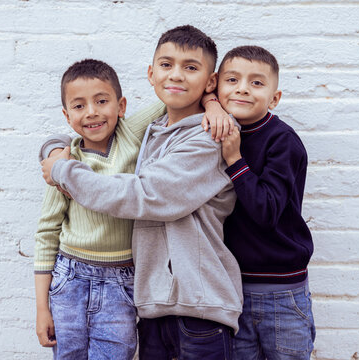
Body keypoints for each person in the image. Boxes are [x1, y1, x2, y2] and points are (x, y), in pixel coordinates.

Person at [40, 25, 243, 360]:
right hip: (153, 308)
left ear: (210, 80)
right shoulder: (150, 131)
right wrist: (53, 150)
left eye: (190, 67)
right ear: (151, 74)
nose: (176, 74)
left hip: (199, 308)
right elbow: (87, 135)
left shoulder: (210, 136)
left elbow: (146, 195)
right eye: (166, 65)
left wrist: (63, 171)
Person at [34, 59, 168, 359]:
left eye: (102, 101)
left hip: (122, 280)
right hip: (70, 279)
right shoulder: (65, 163)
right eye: (79, 106)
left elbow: (170, 99)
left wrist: (212, 102)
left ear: (121, 106)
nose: (92, 111)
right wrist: (42, 308)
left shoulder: (130, 134)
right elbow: (46, 233)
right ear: (67, 117)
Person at [217, 45, 316, 359]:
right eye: (232, 80)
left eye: (256, 83)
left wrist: (234, 159)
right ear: (215, 86)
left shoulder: (281, 141)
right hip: (233, 291)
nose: (243, 88)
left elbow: (266, 210)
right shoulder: (212, 132)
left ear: (275, 98)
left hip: (281, 291)